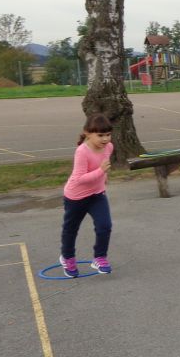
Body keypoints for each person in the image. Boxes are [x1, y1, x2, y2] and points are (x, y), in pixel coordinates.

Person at [59, 114, 115, 277]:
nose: (105, 139)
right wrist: (101, 171)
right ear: (88, 133)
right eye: (100, 135)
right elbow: (79, 179)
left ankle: (100, 257)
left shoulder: (109, 147)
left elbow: (103, 164)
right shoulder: (82, 152)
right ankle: (67, 258)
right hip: (76, 197)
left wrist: (103, 177)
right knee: (71, 229)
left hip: (97, 195)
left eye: (108, 134)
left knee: (105, 226)